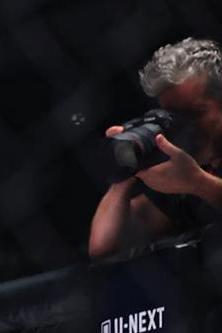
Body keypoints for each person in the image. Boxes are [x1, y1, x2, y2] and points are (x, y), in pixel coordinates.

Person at [89, 37, 222, 257]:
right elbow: (103, 247)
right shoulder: (183, 169)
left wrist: (198, 183)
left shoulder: (192, 176)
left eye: (194, 113)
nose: (186, 126)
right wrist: (126, 165)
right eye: (173, 116)